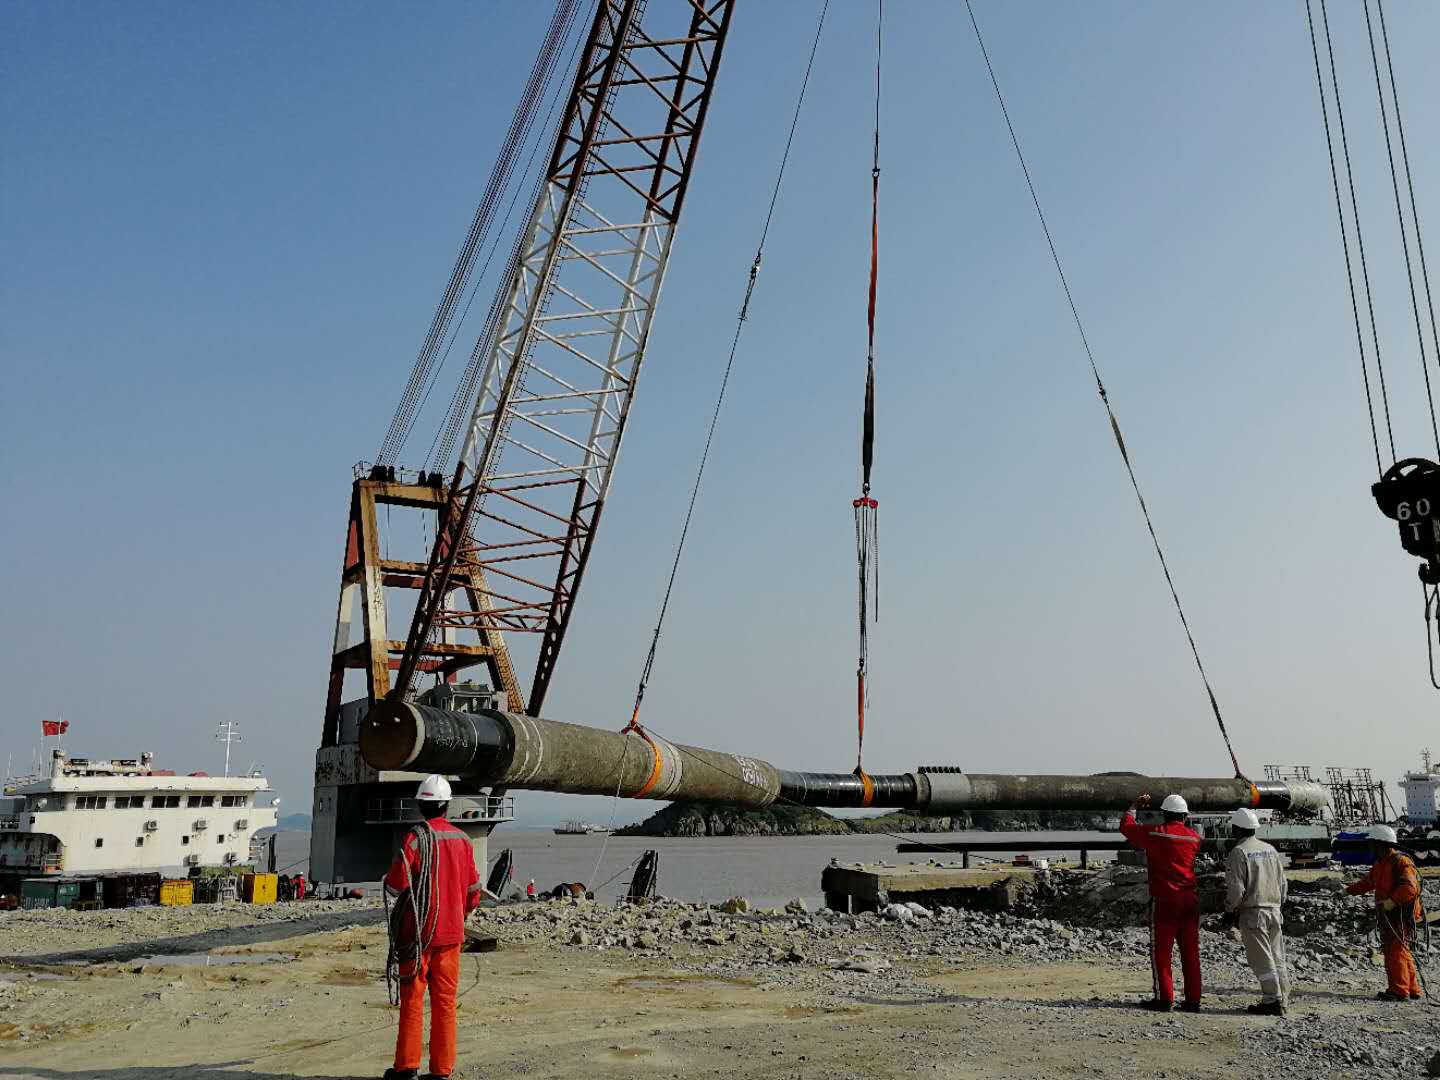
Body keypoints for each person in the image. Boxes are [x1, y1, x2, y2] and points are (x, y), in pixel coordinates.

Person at [383, 774, 488, 1080]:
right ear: (446, 805)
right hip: (451, 936)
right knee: (445, 1003)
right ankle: (441, 1071)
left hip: (417, 935)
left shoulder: (414, 839)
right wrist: (460, 915)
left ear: (421, 804)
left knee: (413, 1000)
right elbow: (474, 891)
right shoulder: (463, 841)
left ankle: (407, 1067)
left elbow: (397, 884)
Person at [1120, 792, 1203, 1012]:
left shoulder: (1156, 834)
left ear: (1164, 815)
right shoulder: (1194, 838)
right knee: (1191, 953)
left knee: (1162, 953)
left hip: (1166, 900)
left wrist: (1133, 806)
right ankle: (1193, 1000)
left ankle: (1164, 998)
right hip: (1190, 901)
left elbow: (1127, 827)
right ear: (1185, 816)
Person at [1346, 824, 1423, 1002]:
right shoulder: (1381, 863)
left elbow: (1410, 888)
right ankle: (1412, 988)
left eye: (1372, 843)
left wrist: (1391, 902)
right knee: (1401, 950)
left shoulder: (1400, 861)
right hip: (1391, 914)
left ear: (1380, 843)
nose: (1370, 847)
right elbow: (1368, 882)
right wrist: (1347, 891)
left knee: (1395, 951)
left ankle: (1398, 991)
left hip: (1400, 914)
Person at [1224, 807, 1290, 1015]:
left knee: (1261, 958)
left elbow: (1237, 889)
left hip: (1254, 913)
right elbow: (1283, 884)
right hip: (1274, 910)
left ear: (1236, 829)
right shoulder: (1270, 849)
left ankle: (1272, 999)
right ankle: (1283, 998)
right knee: (1277, 956)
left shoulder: (1239, 852)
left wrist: (1229, 907)